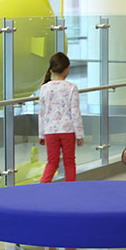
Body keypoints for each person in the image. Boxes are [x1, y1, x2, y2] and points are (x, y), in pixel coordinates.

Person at [39, 52, 84, 183]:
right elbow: (75, 113)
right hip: (67, 130)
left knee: (52, 162)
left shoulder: (44, 88)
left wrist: (41, 134)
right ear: (66, 69)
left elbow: (41, 113)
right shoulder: (71, 88)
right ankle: (70, 190)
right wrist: (79, 134)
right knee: (69, 162)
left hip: (50, 131)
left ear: (52, 70)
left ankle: (41, 188)